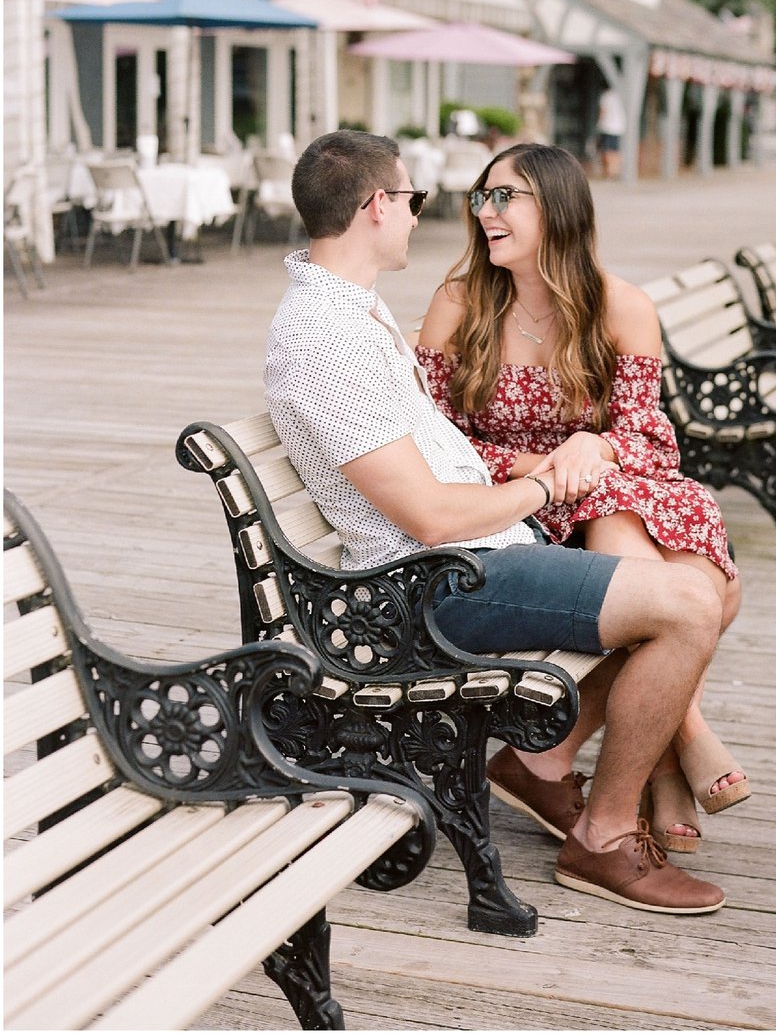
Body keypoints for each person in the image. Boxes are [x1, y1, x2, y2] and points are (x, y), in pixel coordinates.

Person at [265, 130, 726, 915]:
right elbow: (434, 517)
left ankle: (551, 765)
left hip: (481, 550)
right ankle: (605, 837)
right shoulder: (324, 337)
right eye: (414, 200)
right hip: (436, 580)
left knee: (693, 585)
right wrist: (544, 484)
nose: (428, 215)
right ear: (377, 207)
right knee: (686, 606)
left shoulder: (352, 309)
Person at [417, 142, 749, 855]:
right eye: (481, 197)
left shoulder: (622, 305)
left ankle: (627, 765)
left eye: (507, 197)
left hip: (609, 497)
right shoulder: (458, 303)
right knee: (705, 593)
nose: (486, 212)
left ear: (557, 206)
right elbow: (429, 439)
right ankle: (678, 742)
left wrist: (593, 448)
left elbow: (649, 439)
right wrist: (539, 464)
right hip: (512, 510)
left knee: (674, 545)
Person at [596, 84, 626, 178]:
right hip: (620, 127)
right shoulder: (622, 95)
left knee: (607, 150)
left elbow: (603, 111)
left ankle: (609, 171)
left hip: (607, 127)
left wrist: (598, 124)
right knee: (616, 150)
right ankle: (616, 169)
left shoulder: (606, 96)